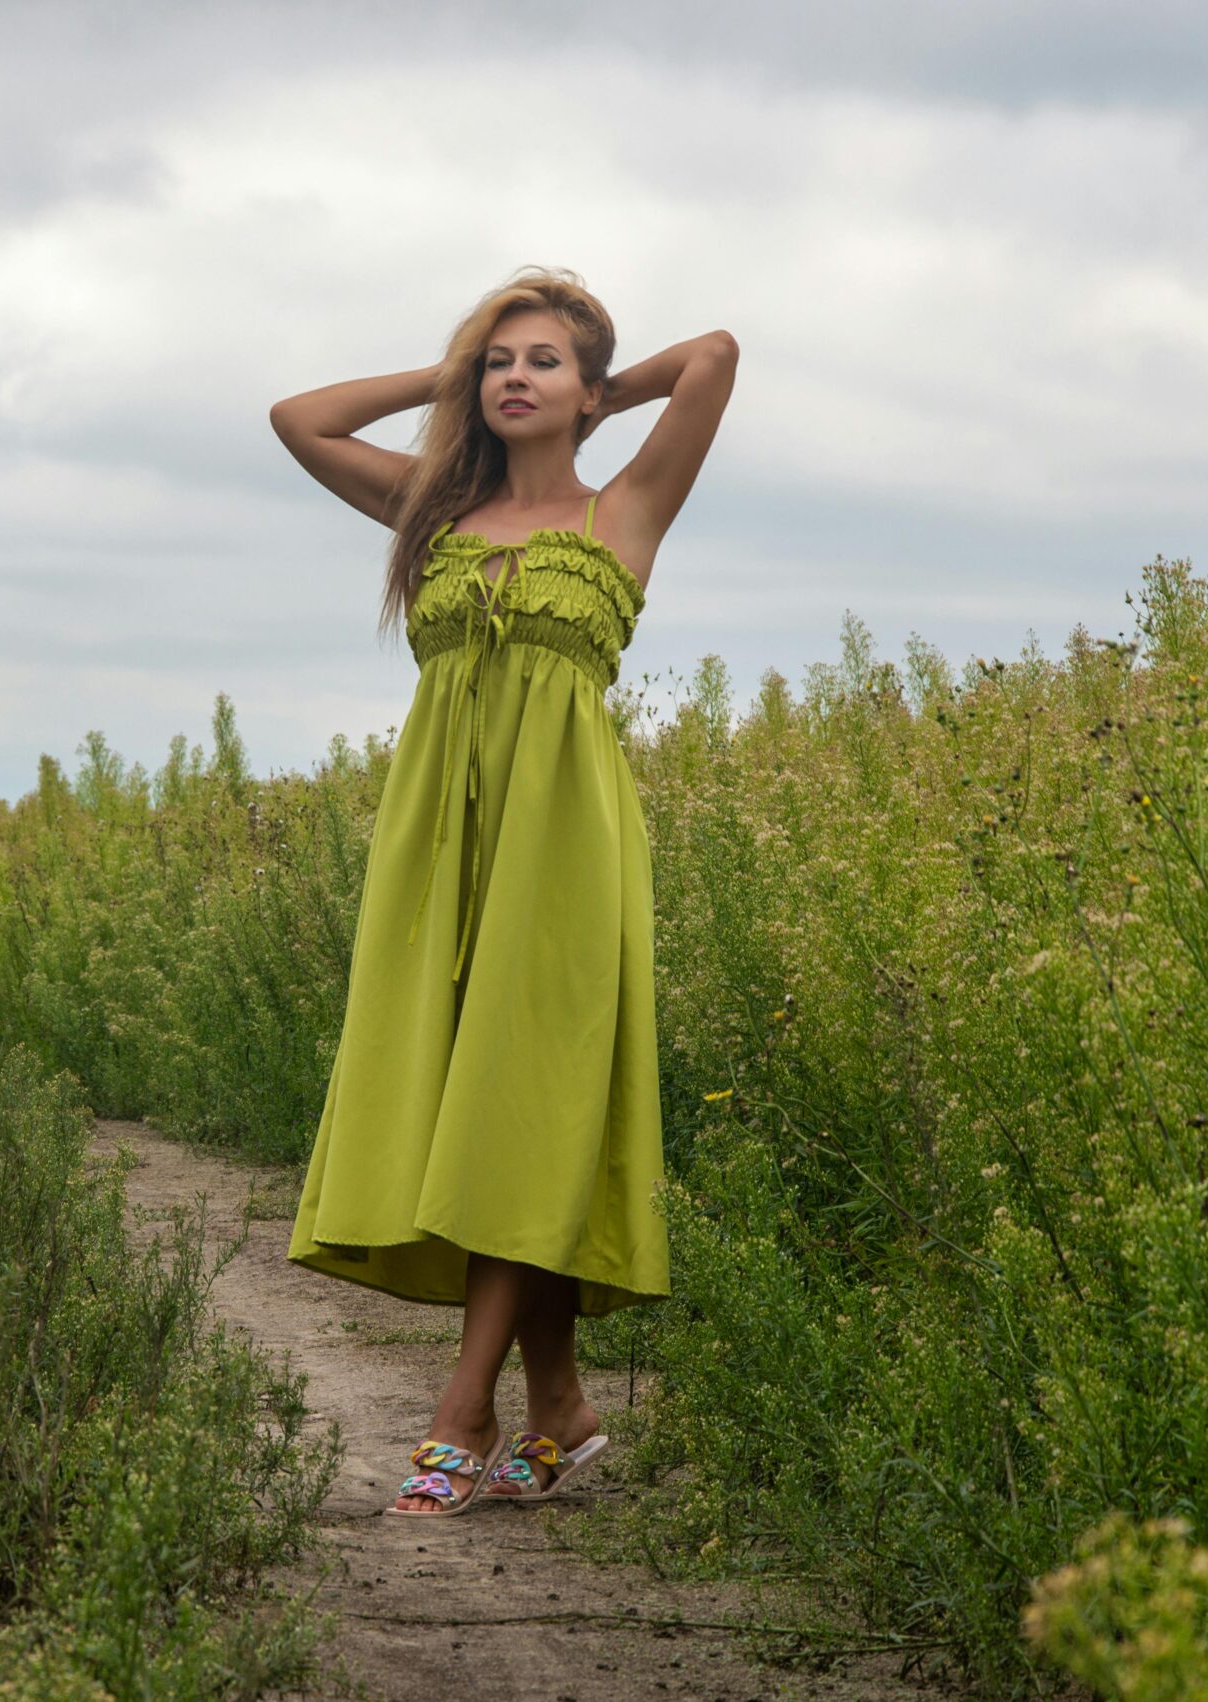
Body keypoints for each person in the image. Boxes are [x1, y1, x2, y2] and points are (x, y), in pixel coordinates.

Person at [267, 267, 739, 1515]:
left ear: (582, 390)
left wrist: (594, 401)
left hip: (564, 852)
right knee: (477, 1110)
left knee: (513, 1110)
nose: (513, 378)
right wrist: (452, 378)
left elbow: (713, 355)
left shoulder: (623, 510)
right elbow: (298, 420)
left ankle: (460, 1412)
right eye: (499, 362)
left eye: (539, 361)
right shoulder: (433, 508)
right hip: (437, 847)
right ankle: (563, 1402)